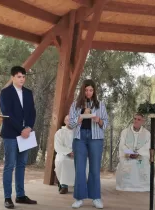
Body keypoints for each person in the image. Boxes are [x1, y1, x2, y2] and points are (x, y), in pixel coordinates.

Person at [0, 66, 37, 209]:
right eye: (19, 76)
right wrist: (21, 129)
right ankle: (7, 197)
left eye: (23, 77)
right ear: (13, 77)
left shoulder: (28, 93)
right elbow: (7, 114)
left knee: (21, 165)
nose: (22, 79)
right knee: (9, 166)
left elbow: (32, 112)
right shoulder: (5, 93)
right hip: (10, 134)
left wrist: (28, 128)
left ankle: (20, 195)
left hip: (26, 134)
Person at [69, 79, 108, 209]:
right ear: (82, 90)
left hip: (96, 138)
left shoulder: (100, 105)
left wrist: (99, 120)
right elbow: (70, 124)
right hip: (80, 138)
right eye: (86, 90)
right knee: (79, 169)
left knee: (95, 169)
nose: (88, 92)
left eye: (91, 90)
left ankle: (96, 198)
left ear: (94, 91)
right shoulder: (75, 105)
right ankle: (79, 198)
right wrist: (79, 118)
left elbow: (106, 123)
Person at [116, 113, 150, 192]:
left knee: (141, 163)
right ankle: (125, 186)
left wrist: (138, 154)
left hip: (140, 156)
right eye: (135, 119)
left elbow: (147, 146)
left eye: (138, 119)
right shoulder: (125, 132)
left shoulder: (147, 134)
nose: (136, 121)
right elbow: (122, 145)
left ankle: (142, 186)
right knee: (127, 162)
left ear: (142, 121)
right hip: (127, 155)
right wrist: (130, 153)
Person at [54, 115, 89, 194]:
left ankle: (80, 185)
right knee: (63, 161)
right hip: (64, 154)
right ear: (64, 121)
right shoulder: (59, 132)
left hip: (78, 153)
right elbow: (58, 146)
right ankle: (64, 186)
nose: (69, 122)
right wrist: (68, 152)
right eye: (67, 120)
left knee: (85, 161)